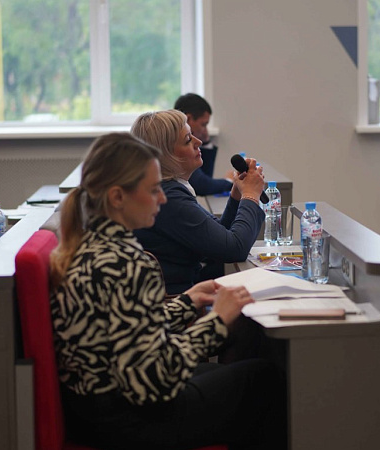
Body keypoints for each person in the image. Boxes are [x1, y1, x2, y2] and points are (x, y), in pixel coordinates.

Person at [49, 132, 286, 450]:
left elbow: (128, 329)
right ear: (118, 197)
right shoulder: (130, 263)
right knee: (265, 378)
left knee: (234, 370)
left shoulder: (88, 245)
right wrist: (216, 322)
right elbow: (154, 381)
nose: (162, 199)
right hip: (133, 422)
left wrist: (187, 301)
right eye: (153, 189)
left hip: (93, 413)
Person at [131, 110, 266, 295]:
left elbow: (218, 238)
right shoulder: (169, 198)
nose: (199, 142)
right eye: (188, 140)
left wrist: (237, 196)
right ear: (166, 155)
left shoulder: (170, 189)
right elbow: (235, 249)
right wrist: (250, 196)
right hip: (176, 301)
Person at [174, 93, 233, 195]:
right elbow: (202, 185)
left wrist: (206, 143)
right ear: (188, 119)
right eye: (203, 124)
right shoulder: (175, 145)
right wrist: (229, 181)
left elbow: (205, 177)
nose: (205, 130)